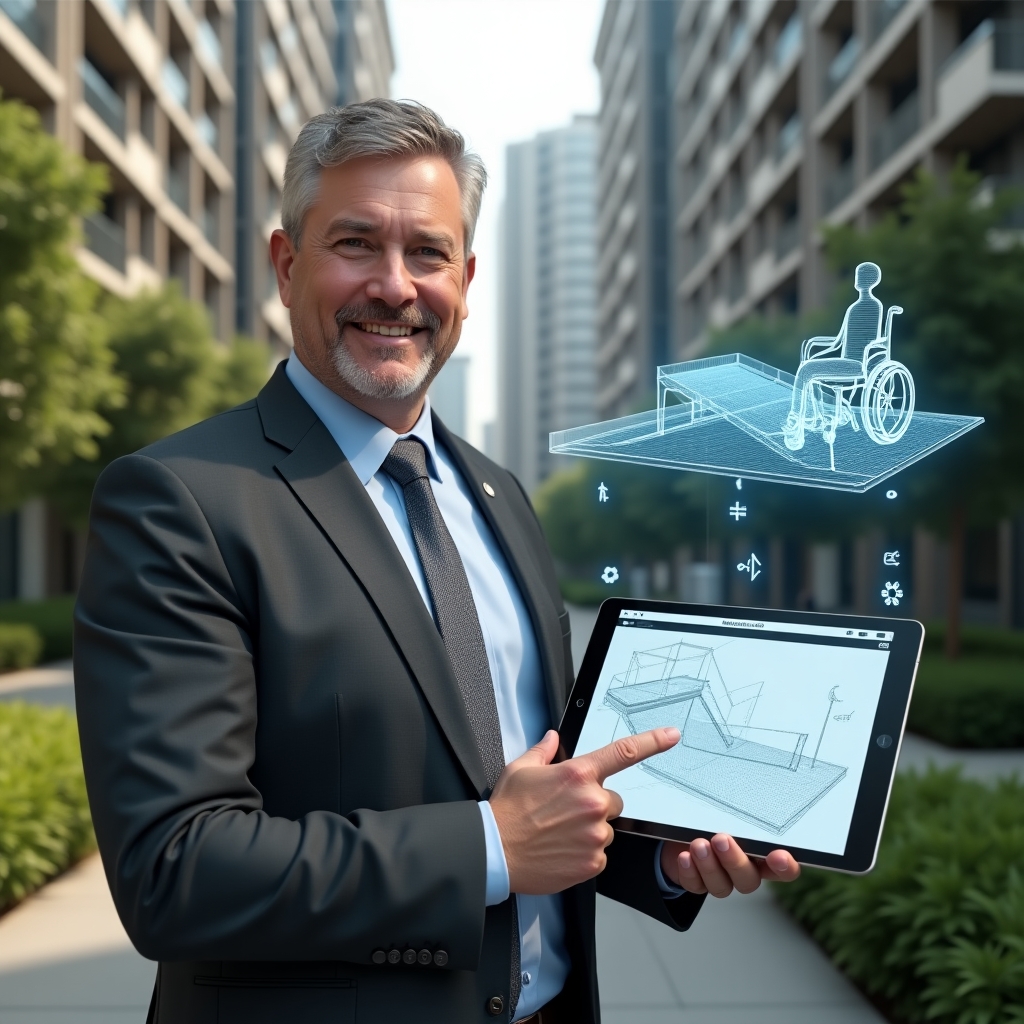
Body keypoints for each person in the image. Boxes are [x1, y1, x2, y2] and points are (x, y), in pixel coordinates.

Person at [74, 99, 799, 1024]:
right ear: (286, 264)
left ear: (466, 276)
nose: (395, 285)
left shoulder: (501, 495)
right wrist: (490, 845)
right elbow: (174, 868)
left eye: (426, 253)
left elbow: (536, 782)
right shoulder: (180, 499)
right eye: (354, 244)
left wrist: (655, 854)